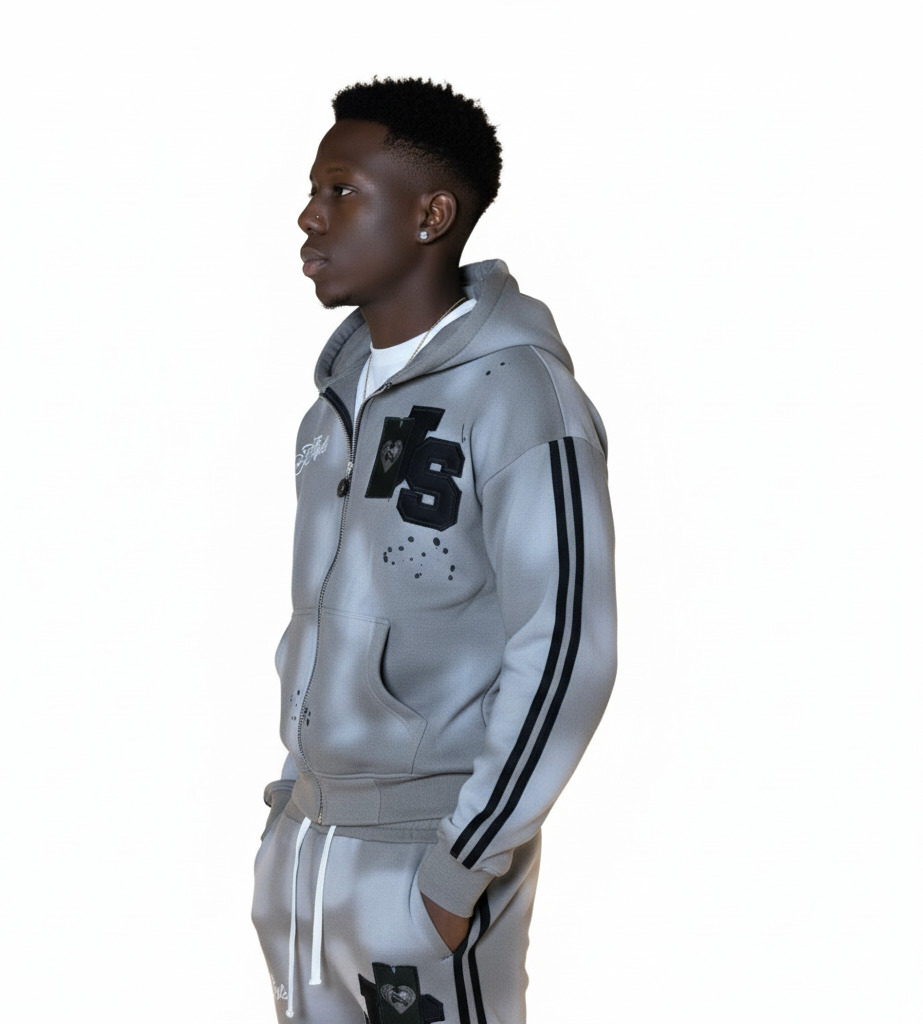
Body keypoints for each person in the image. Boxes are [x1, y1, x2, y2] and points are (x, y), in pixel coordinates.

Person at [252, 77, 617, 1024]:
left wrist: (462, 868)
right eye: (314, 191)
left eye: (341, 191)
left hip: (427, 861)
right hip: (308, 851)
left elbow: (566, 644)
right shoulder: (333, 408)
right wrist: (291, 810)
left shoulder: (519, 395)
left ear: (431, 215)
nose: (309, 217)